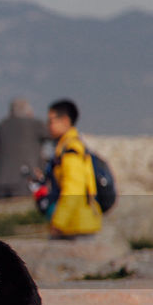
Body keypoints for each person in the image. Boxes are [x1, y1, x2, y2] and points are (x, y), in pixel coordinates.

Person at [45, 99, 102, 238]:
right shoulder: (67, 146)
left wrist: (59, 223)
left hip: (76, 226)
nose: (48, 126)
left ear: (65, 120)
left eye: (51, 121)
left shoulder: (71, 149)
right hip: (78, 223)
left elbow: (73, 189)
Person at [0, 98, 49, 198]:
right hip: (23, 180)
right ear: (28, 111)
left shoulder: (2, 125)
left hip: (0, 180)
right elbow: (52, 134)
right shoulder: (34, 124)